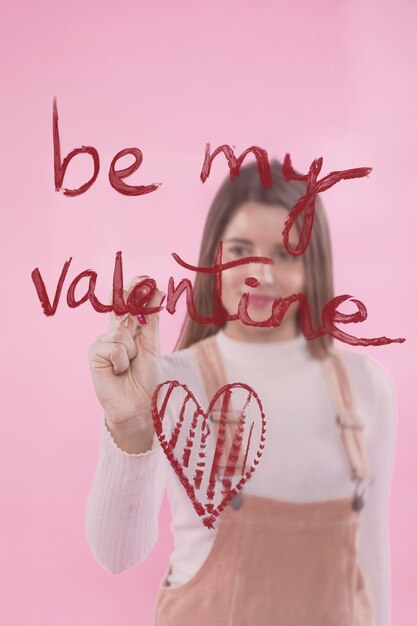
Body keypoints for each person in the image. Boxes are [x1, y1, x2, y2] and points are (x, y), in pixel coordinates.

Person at [85, 160, 396, 626]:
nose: (260, 275)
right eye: (241, 251)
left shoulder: (364, 387)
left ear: (314, 265)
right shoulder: (171, 383)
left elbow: (371, 563)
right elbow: (116, 554)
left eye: (286, 255)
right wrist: (130, 425)